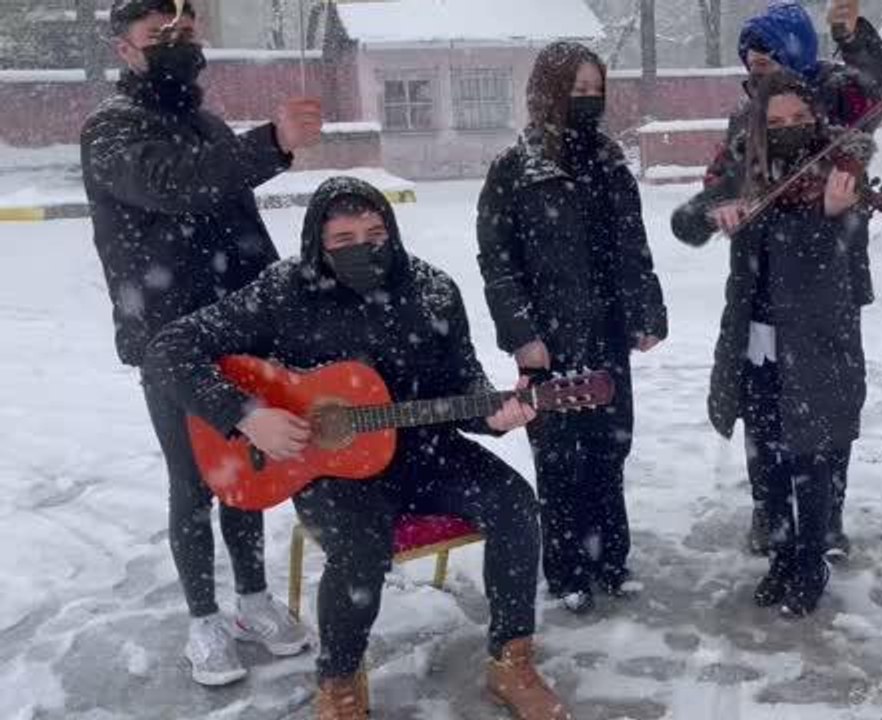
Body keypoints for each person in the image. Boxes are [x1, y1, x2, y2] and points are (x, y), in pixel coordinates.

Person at [144, 177, 572, 720]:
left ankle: (512, 660)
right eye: (343, 240)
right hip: (332, 471)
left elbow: (462, 382)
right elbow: (169, 349)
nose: (363, 247)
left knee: (514, 504)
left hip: (427, 451)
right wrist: (247, 417)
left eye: (374, 233)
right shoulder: (283, 290)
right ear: (317, 244)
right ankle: (340, 684)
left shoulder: (433, 289)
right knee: (361, 545)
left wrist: (494, 414)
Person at [82, 0, 322, 686]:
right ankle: (204, 621)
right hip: (168, 342)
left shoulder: (208, 124)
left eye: (185, 31)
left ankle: (252, 601)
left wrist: (279, 304)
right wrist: (270, 141)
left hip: (235, 330)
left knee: (243, 467)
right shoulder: (110, 130)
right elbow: (173, 186)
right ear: (126, 52)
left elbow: (239, 223)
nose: (178, 42)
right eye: (158, 35)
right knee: (192, 483)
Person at [671, 72, 875, 617]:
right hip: (755, 343)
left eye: (799, 121)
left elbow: (853, 277)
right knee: (767, 462)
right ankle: (781, 558)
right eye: (776, 123)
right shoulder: (747, 171)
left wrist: (834, 220)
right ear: (759, 127)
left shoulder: (842, 173)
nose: (789, 131)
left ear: (816, 120)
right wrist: (715, 213)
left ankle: (811, 563)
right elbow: (682, 225)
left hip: (815, 345)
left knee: (810, 460)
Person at [476, 42, 668, 615]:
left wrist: (647, 311)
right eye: (575, 90)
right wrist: (522, 334)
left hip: (607, 333)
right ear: (548, 92)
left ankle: (611, 558)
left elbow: (633, 248)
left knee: (610, 447)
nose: (587, 100)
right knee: (559, 457)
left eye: (595, 91)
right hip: (548, 339)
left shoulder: (611, 161)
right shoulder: (514, 170)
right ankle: (565, 571)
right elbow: (497, 261)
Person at [706, 0, 882, 557]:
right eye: (749, 59)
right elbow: (720, 176)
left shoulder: (835, 95)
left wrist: (852, 35)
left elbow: (878, 88)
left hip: (826, 280)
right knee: (762, 408)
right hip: (762, 282)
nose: (755, 66)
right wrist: (723, 200)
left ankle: (826, 519)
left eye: (765, 55)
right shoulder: (748, 116)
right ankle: (770, 515)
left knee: (827, 407)